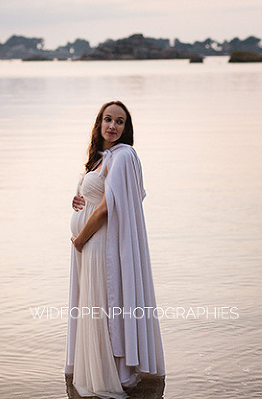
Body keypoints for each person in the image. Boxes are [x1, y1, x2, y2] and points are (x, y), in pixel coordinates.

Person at [65, 100, 165, 398]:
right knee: (96, 308)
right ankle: (103, 368)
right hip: (88, 244)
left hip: (95, 244)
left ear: (126, 128)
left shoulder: (124, 155)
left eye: (119, 122)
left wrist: (81, 237)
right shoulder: (100, 157)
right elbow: (98, 196)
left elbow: (111, 206)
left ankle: (114, 373)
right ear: (99, 124)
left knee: (103, 308)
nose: (112, 126)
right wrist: (79, 197)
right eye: (107, 120)